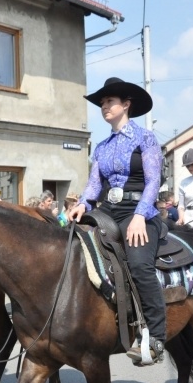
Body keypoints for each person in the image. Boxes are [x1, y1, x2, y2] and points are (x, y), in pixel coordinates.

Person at [68, 77, 165, 366]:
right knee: (73, 250)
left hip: (139, 211)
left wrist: (139, 215)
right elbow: (94, 187)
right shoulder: (101, 147)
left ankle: (156, 337)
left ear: (126, 104)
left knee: (138, 264)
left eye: (109, 101)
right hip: (108, 211)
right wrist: (82, 205)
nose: (104, 106)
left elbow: (153, 181)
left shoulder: (145, 138)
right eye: (102, 103)